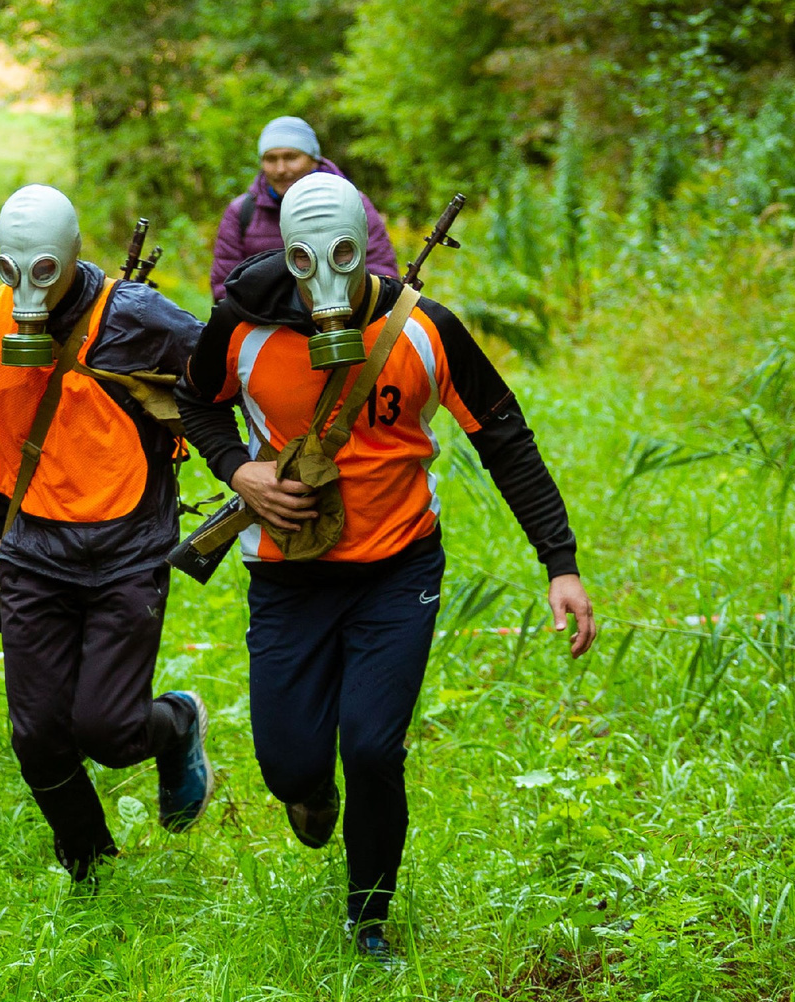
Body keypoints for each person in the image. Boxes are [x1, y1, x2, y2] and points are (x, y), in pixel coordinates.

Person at [177, 171, 596, 960]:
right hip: (289, 571)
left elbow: (504, 435)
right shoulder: (242, 321)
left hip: (397, 568)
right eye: (305, 259)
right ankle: (308, 794)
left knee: (372, 746)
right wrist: (239, 469)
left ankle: (368, 916)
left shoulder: (424, 329)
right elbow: (193, 397)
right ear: (286, 255)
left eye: (339, 253)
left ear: (363, 247)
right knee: (291, 764)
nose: (322, 278)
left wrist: (560, 562)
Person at [0, 185, 214, 886]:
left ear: (74, 256)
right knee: (37, 736)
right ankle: (89, 861)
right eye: (13, 270)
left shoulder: (133, 315)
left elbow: (218, 365)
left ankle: (176, 723)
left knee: (109, 730)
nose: (28, 285)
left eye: (45, 267)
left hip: (127, 544)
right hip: (34, 545)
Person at [210, 117, 399, 304]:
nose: (280, 169)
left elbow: (383, 275)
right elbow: (224, 289)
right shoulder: (242, 212)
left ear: (314, 159)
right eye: (270, 159)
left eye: (291, 157)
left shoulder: (353, 205)